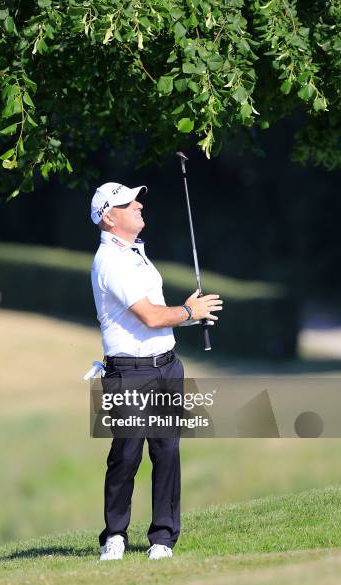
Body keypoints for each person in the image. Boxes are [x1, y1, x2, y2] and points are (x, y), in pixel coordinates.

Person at [90, 181, 223, 561]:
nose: (138, 205)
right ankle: (114, 534)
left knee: (166, 451)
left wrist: (184, 312)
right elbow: (148, 316)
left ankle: (163, 538)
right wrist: (188, 314)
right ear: (108, 217)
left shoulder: (134, 253)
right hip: (129, 372)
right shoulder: (110, 260)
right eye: (128, 203)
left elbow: (156, 311)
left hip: (166, 366)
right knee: (127, 454)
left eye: (136, 199)